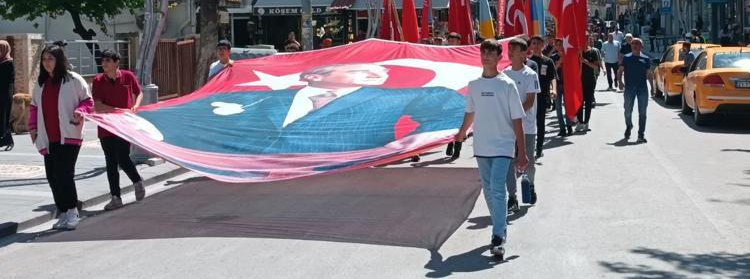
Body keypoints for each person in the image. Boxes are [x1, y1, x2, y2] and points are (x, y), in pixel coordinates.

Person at [136, 63, 466, 155]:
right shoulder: (263, 100)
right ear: (314, 74)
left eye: (377, 75)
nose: (372, 77)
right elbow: (197, 115)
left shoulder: (389, 99)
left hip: (339, 177)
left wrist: (407, 145)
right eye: (364, 71)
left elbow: (449, 103)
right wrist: (141, 119)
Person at [453, 39, 527, 259]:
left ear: (498, 56)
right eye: (483, 52)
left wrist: (521, 152)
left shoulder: (507, 85)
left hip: (503, 145)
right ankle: (500, 224)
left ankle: (498, 234)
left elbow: (517, 120)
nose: (485, 56)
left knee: (497, 187)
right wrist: (461, 132)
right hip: (482, 146)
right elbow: (470, 113)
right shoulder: (474, 85)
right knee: (488, 189)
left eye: (490, 53)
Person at [29, 44, 93, 230]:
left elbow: (87, 100)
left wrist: (80, 111)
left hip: (69, 135)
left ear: (59, 60)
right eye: (44, 59)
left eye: (50, 58)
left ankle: (73, 211)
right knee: (52, 176)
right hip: (48, 137)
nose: (47, 63)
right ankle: (63, 211)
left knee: (64, 174)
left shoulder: (73, 80)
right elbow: (34, 107)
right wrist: (33, 127)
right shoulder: (41, 84)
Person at [92, 49, 146, 210]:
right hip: (106, 125)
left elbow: (139, 92)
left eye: (108, 60)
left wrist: (136, 105)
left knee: (122, 156)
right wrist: (117, 109)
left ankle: (137, 180)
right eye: (103, 61)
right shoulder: (98, 80)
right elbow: (98, 105)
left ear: (117, 63)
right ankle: (115, 197)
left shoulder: (128, 76)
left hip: (124, 124)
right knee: (110, 161)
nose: (104, 64)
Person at [503, 37, 540, 213]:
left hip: (527, 126)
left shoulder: (530, 75)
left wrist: (515, 114)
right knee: (509, 161)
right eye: (509, 49)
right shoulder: (504, 74)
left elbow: (530, 101)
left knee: (528, 160)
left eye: (514, 50)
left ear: (524, 53)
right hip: (508, 127)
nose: (510, 53)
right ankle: (512, 197)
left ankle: (530, 184)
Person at [617, 38, 655, 142]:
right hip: (629, 89)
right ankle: (629, 126)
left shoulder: (646, 59)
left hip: (642, 88)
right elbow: (620, 70)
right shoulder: (626, 58)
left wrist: (652, 87)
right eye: (633, 43)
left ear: (641, 46)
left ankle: (641, 134)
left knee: (642, 113)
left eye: (637, 43)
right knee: (628, 111)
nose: (634, 45)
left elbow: (649, 74)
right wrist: (619, 81)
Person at [529, 36, 557, 158]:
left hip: (542, 96)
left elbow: (553, 77)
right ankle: (527, 147)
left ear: (542, 45)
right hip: (529, 97)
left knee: (540, 123)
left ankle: (539, 149)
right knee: (529, 123)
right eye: (533, 43)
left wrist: (554, 89)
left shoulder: (548, 61)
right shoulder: (527, 61)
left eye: (537, 43)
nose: (535, 45)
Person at [577, 35, 601, 132]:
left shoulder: (593, 51)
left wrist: (585, 62)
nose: (584, 41)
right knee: (579, 102)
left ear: (588, 40)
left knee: (588, 102)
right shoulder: (578, 52)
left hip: (590, 80)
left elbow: (595, 67)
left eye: (586, 39)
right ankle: (579, 122)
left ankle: (586, 122)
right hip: (579, 80)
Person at [551, 38, 573, 137]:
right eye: (557, 45)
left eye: (561, 44)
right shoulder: (553, 58)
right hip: (557, 85)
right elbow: (552, 72)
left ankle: (569, 126)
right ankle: (562, 128)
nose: (559, 46)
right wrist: (559, 62)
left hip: (567, 84)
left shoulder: (568, 56)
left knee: (568, 107)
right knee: (558, 108)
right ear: (555, 46)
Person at [0, 40, 14, 151]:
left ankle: (8, 139)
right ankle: (5, 139)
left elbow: (8, 81)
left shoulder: (8, 63)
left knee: (3, 117)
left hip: (4, 95)